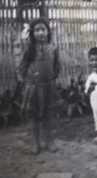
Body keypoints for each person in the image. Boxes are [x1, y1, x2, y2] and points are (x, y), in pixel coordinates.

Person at [19, 18, 60, 154]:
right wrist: (28, 82)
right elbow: (22, 67)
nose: (41, 33)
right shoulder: (28, 50)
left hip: (48, 87)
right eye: (37, 30)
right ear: (33, 33)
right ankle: (36, 143)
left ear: (48, 32)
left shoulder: (53, 48)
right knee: (34, 117)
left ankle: (49, 142)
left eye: (43, 29)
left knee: (48, 116)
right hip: (33, 89)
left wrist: (51, 78)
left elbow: (57, 67)